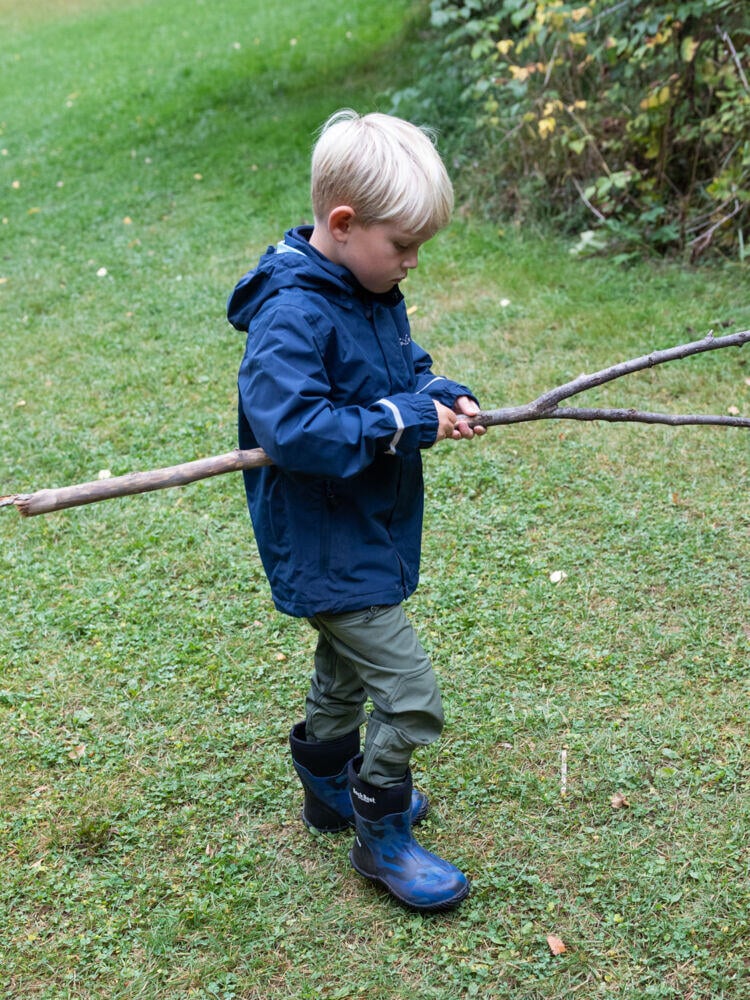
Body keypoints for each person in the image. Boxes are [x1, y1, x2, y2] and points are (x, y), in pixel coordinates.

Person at [228, 109, 485, 913]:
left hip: (363, 524)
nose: (412, 262)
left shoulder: (368, 287)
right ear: (342, 225)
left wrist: (436, 394)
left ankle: (326, 791)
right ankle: (380, 834)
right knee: (408, 697)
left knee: (344, 667)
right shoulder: (293, 314)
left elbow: (401, 367)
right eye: (402, 245)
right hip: (326, 536)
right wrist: (399, 421)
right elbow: (294, 427)